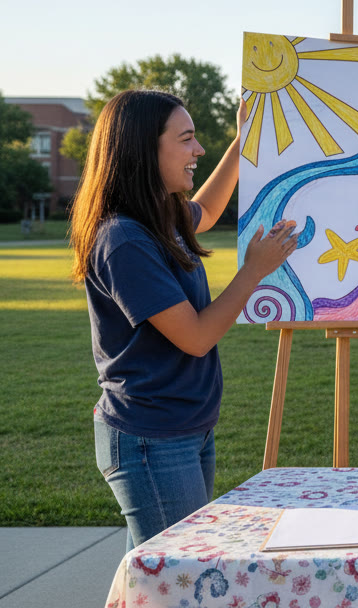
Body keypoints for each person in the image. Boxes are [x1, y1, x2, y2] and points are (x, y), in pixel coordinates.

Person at [69, 90, 297, 548]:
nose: (198, 150)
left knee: (160, 574)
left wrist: (242, 141)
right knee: (180, 571)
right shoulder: (124, 239)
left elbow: (209, 210)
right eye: (187, 140)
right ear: (142, 150)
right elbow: (195, 337)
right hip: (151, 439)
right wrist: (254, 269)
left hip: (184, 428)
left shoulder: (162, 214)